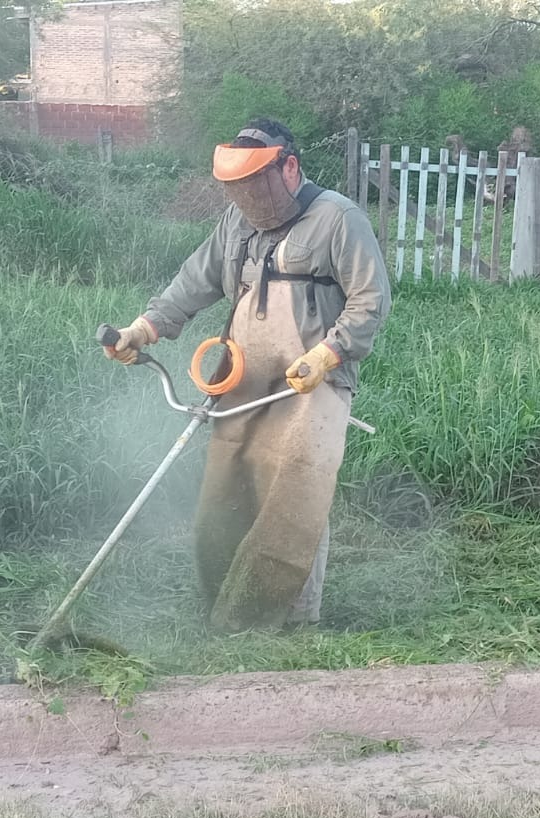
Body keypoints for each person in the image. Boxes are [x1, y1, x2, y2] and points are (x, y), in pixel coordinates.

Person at [104, 117, 391, 632]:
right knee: (227, 489)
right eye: (240, 195)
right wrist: (143, 329)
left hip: (314, 382)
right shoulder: (238, 223)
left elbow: (371, 301)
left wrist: (328, 354)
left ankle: (292, 624)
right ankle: (229, 612)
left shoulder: (337, 220)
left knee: (295, 497)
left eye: (257, 192)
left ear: (290, 169)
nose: (250, 207)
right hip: (243, 378)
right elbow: (194, 281)